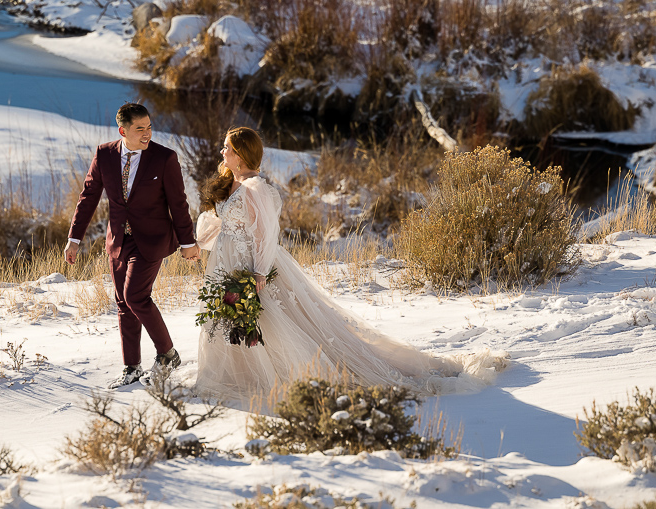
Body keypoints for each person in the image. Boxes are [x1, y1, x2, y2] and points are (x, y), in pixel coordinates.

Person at [194, 127, 506, 403]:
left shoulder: (255, 188)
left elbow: (265, 234)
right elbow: (222, 222)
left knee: (270, 320)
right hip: (225, 260)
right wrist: (199, 243)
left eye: (227, 148)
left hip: (250, 263)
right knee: (226, 316)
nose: (222, 152)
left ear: (240, 154)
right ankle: (232, 372)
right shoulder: (231, 182)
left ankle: (276, 374)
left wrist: (259, 270)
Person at [66, 102, 200, 388]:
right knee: (122, 303)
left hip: (152, 240)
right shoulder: (104, 154)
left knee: (135, 297)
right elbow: (88, 196)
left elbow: (178, 203)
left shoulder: (164, 158)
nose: (147, 133)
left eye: (149, 127)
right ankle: (132, 367)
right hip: (118, 241)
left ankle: (168, 354)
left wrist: (188, 241)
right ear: (123, 131)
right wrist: (74, 239)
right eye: (140, 128)